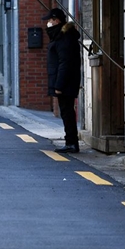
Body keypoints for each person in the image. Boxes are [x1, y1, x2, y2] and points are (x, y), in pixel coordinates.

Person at [42, 8, 81, 153]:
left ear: (56, 20)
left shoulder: (63, 38)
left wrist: (59, 85)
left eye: (49, 20)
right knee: (66, 112)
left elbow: (65, 63)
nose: (48, 23)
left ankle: (71, 142)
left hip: (65, 83)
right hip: (65, 81)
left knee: (67, 112)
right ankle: (70, 141)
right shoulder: (61, 36)